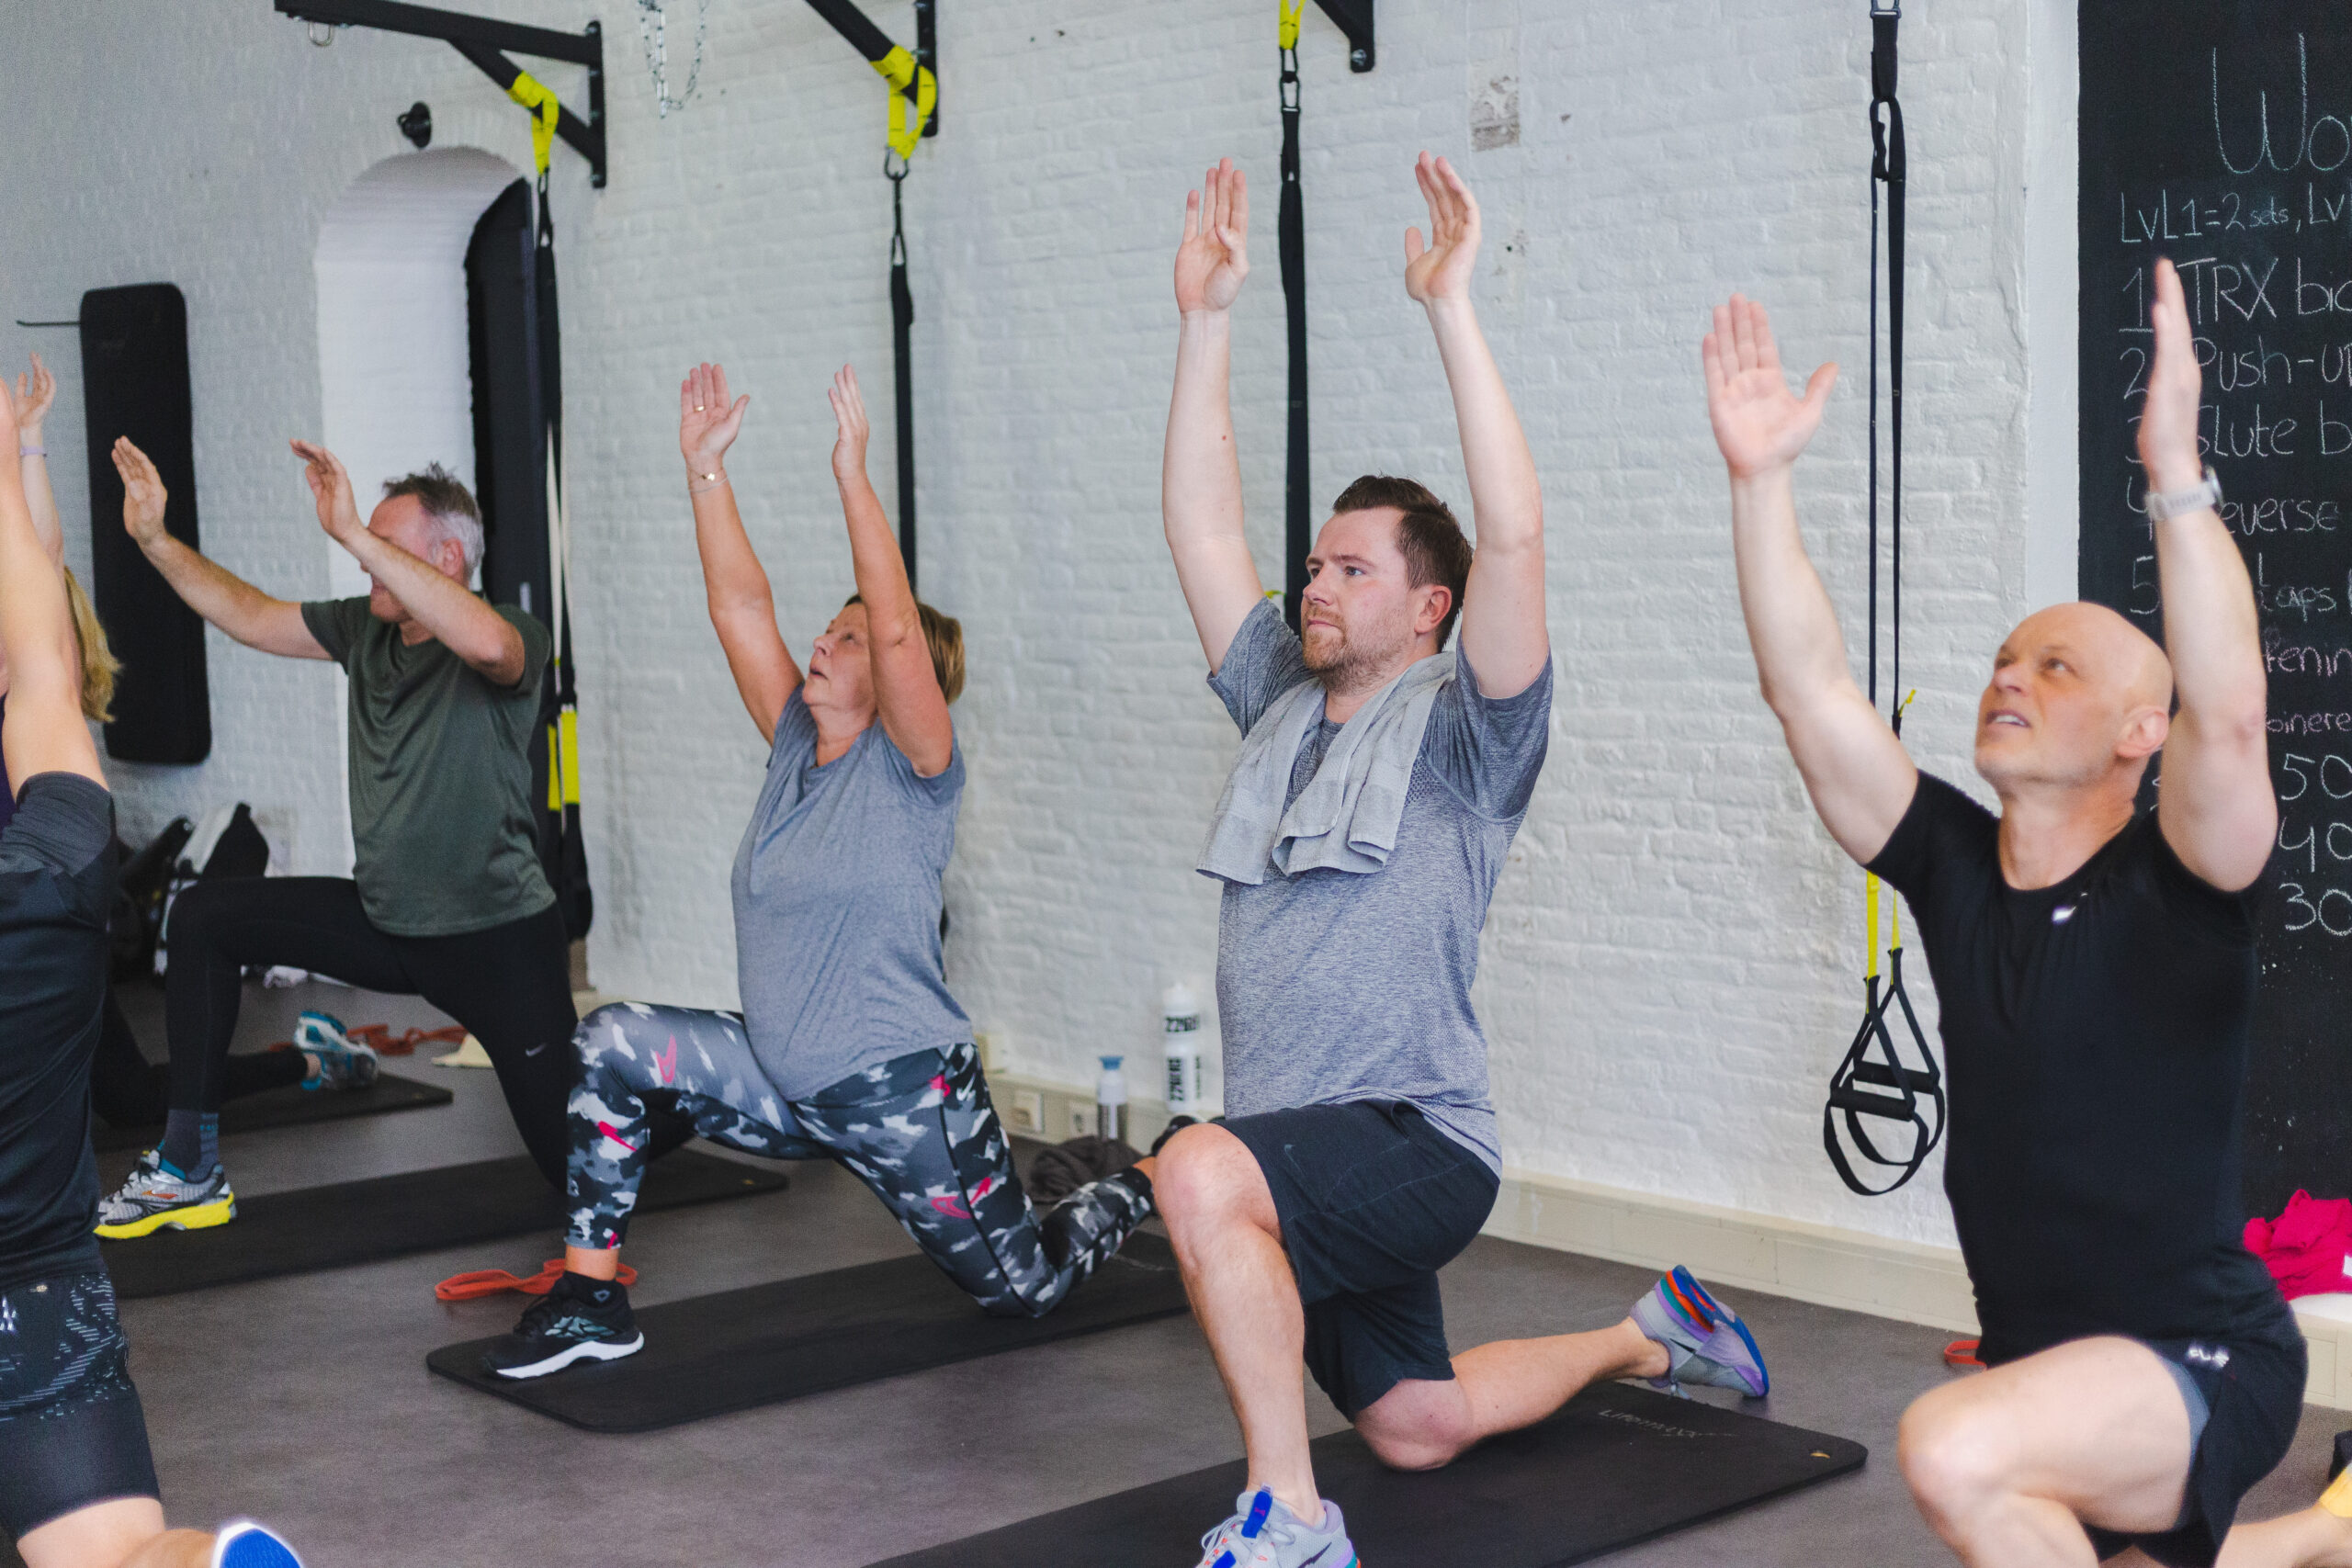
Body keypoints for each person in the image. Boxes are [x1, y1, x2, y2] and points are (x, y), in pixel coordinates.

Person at [1150, 153, 1769, 1568]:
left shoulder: (1469, 737)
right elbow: (1199, 527)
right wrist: (1205, 322)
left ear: (1431, 605)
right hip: (1301, 1148)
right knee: (1420, 1421)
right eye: (1312, 566)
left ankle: (1291, 1518)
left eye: (1350, 569)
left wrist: (1453, 307)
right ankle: (1649, 1333)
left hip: (1415, 1137)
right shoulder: (1278, 703)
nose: (1313, 585)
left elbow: (1520, 534)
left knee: (1193, 1174)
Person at [1704, 261, 2300, 1568]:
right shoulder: (1955, 864)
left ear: (2142, 731)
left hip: (2196, 1359)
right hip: (2044, 1365)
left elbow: (2235, 707)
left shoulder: (2186, 879)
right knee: (2007, 1475)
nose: (2010, 679)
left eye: (2057, 664)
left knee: (1953, 1445)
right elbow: (1808, 694)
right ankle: (2311, 1543)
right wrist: (1761, 485)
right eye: (2003, 660)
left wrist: (2176, 476)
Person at [475, 361, 1156, 1379]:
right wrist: (706, 473)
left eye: (846, 637)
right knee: (614, 1041)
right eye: (827, 630)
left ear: (896, 676)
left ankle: (1152, 1180)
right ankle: (590, 1294)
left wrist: (852, 478)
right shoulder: (796, 741)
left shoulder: (916, 768)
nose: (823, 644)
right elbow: (738, 608)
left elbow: (893, 624)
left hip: (902, 1096)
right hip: (781, 1083)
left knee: (1026, 1289)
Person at [94, 437, 579, 1237]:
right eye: (364, 548)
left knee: (575, 1160)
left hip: (496, 943)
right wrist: (153, 539)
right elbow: (249, 615)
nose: (363, 564)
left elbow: (491, 647)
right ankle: (187, 1166)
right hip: (388, 927)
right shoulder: (366, 632)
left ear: (447, 558)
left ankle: (698, 1099)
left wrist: (355, 531)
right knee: (206, 917)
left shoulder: (507, 630)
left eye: (384, 549)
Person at [0, 349, 301, 1568]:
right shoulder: (64, 864)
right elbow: (44, 658)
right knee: (116, 1548)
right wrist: (12, 453)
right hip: (35, 1273)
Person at [0, 357, 372, 1134]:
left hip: (39, 920)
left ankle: (307, 1058)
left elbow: (44, 555)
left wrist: (25, 443)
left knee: (132, 1103)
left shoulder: (30, 677)